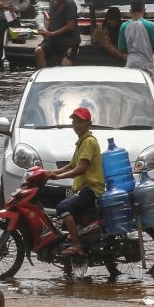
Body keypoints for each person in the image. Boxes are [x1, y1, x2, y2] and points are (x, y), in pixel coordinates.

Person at [44, 107, 104, 256]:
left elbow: (81, 168)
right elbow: (71, 165)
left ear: (89, 123)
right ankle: (68, 262)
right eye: (74, 121)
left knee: (63, 207)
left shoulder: (88, 142)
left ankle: (77, 245)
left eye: (80, 121)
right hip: (83, 189)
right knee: (65, 222)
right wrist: (50, 173)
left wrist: (58, 177)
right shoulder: (81, 142)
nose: (76, 125)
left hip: (91, 189)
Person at [35, 0, 80, 68]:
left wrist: (51, 34)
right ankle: (43, 76)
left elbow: (71, 26)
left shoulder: (69, 3)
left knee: (65, 64)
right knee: (38, 51)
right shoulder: (52, 1)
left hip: (69, 41)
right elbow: (52, 19)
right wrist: (46, 30)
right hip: (54, 40)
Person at [117, 0, 154, 72]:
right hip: (147, 67)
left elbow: (121, 48)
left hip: (130, 65)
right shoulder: (149, 25)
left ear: (130, 11)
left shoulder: (124, 26)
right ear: (144, 10)